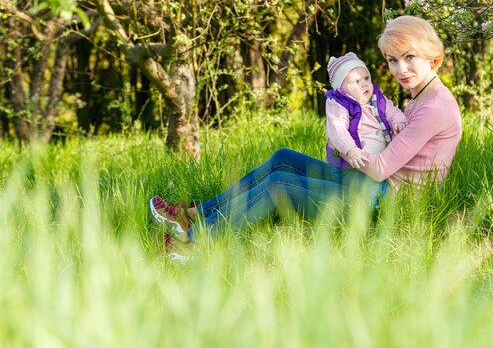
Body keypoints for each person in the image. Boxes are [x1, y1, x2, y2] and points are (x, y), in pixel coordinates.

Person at [150, 15, 462, 258]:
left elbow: (381, 167)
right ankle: (195, 215)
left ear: (431, 57)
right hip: (371, 185)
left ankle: (197, 242)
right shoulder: (419, 97)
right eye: (393, 61)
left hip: (384, 202)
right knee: (283, 158)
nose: (400, 69)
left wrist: (347, 150)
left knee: (278, 186)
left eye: (409, 57)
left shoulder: (435, 107)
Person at [325, 51, 406, 170]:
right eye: (356, 81)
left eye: (366, 78)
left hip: (378, 162)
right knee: (353, 186)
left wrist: (399, 121)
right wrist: (350, 150)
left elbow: (392, 111)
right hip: (351, 164)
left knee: (378, 183)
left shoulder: (377, 99)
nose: (364, 84)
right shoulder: (339, 104)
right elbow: (337, 129)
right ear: (341, 89)